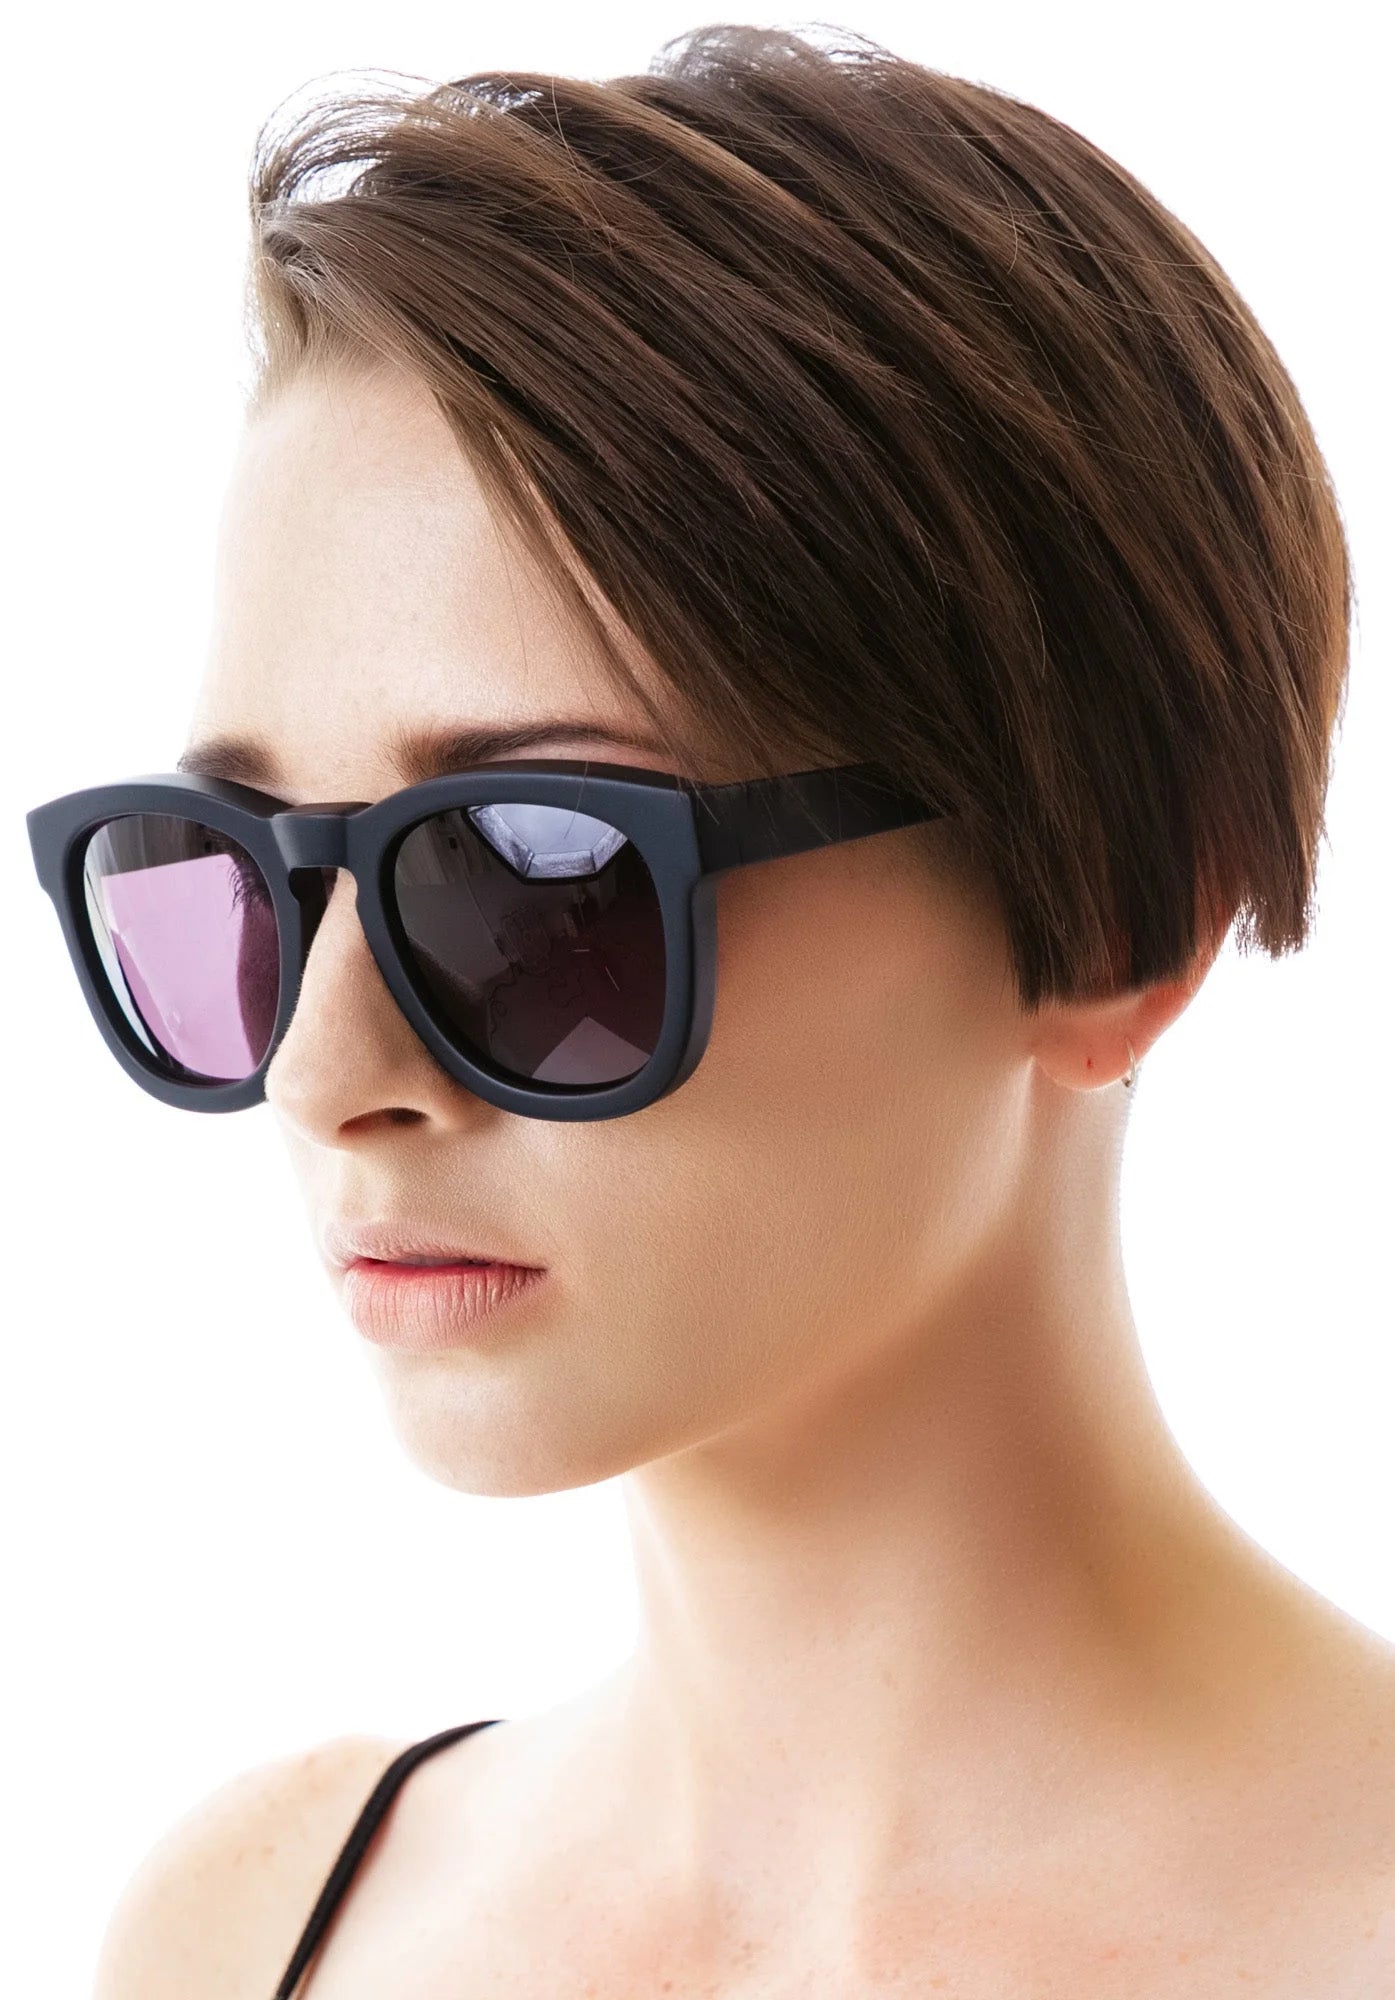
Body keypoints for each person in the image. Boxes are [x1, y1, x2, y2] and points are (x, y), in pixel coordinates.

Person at [60, 23, 1389, 1998]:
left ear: (1120, 915)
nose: (324, 1072)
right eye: (242, 869)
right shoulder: (247, 1929)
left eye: (530, 871)